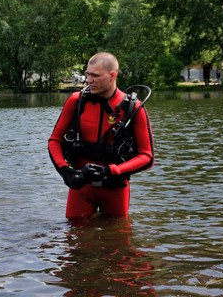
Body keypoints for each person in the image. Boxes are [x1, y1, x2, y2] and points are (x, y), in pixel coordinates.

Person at [48, 52, 154, 218]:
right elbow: (54, 141)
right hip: (81, 186)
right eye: (87, 74)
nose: (89, 80)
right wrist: (65, 171)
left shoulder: (134, 109)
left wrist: (112, 171)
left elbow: (147, 156)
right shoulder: (76, 101)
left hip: (115, 187)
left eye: (95, 76)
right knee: (74, 235)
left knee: (116, 239)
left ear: (112, 75)